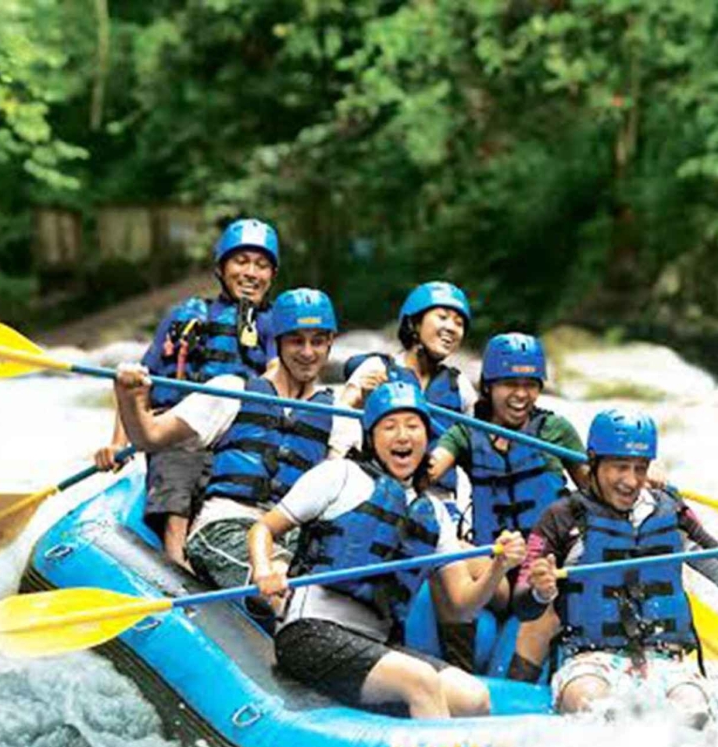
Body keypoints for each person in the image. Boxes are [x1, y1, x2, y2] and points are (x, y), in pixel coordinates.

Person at [248, 382, 527, 719]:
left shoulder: (434, 513)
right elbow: (263, 529)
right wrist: (264, 570)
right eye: (390, 426)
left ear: (427, 437)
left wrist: (498, 567)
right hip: (309, 633)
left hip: (376, 644)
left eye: (413, 426)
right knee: (420, 680)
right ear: (371, 437)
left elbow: (461, 606)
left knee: (473, 697)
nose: (403, 436)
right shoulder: (340, 475)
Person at [512, 408, 718, 726]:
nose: (631, 481)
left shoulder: (671, 512)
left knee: (694, 714)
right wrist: (541, 591)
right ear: (593, 461)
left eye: (640, 468)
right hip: (590, 661)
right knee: (592, 704)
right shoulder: (561, 517)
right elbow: (523, 605)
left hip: (665, 661)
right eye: (620, 467)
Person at [112, 288, 340, 595]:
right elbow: (149, 436)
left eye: (318, 341)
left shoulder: (340, 416)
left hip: (291, 536)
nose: (308, 352)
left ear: (331, 342)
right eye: (297, 341)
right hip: (226, 525)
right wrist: (129, 397)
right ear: (278, 342)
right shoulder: (231, 391)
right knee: (289, 588)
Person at [96, 217, 280, 566]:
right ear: (221, 268)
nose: (251, 273)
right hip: (179, 430)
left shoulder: (274, 323)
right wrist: (118, 444)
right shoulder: (185, 316)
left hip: (237, 435)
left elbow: (278, 373)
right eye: (241, 261)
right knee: (181, 455)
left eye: (261, 265)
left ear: (272, 275)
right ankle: (176, 561)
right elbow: (137, 384)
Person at [427, 332, 590, 673]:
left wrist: (632, 472)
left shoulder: (556, 430)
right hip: (497, 568)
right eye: (509, 384)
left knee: (549, 598)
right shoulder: (466, 432)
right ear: (489, 386)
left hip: (547, 568)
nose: (521, 395)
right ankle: (458, 672)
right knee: (446, 552)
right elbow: (431, 468)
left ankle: (517, 682)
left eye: (530, 385)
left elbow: (597, 487)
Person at [332, 281, 478, 488]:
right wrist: (363, 401)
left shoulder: (460, 386)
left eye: (459, 323)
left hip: (438, 495)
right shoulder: (377, 368)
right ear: (415, 323)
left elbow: (477, 441)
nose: (451, 328)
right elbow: (339, 419)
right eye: (442, 317)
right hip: (376, 489)